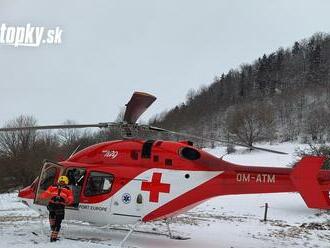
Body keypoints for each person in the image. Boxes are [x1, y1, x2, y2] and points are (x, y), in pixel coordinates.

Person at [40, 175, 74, 242]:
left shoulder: (53, 187)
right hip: (59, 206)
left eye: (62, 182)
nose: (61, 183)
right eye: (61, 182)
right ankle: (53, 237)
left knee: (53, 216)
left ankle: (53, 228)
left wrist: (41, 196)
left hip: (53, 205)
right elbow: (70, 198)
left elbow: (45, 194)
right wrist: (68, 201)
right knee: (57, 223)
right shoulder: (67, 189)